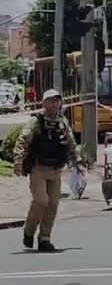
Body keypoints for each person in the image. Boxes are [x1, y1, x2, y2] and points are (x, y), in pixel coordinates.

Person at [13, 89, 85, 251]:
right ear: (44, 103)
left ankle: (45, 237)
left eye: (57, 100)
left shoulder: (63, 122)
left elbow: (71, 144)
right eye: (51, 100)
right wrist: (18, 161)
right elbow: (22, 141)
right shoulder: (36, 122)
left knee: (53, 203)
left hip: (56, 169)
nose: (55, 103)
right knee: (41, 200)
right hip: (38, 168)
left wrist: (77, 162)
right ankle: (29, 231)